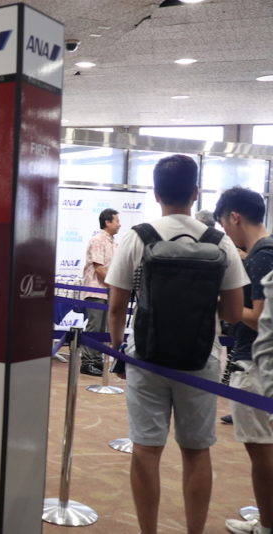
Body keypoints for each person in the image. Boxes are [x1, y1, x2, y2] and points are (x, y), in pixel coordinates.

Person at [106, 154, 246, 534]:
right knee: (197, 453)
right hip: (200, 360)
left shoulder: (138, 236)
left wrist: (119, 351)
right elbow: (234, 312)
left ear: (155, 193)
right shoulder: (220, 243)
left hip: (146, 358)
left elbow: (116, 308)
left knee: (146, 450)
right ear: (196, 192)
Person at [214, 187, 273, 534]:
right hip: (257, 362)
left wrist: (228, 307)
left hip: (254, 364)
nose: (225, 231)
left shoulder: (261, 255)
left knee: (260, 449)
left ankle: (266, 525)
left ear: (234, 216)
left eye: (224, 223)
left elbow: (260, 316)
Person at [80, 208, 120, 376]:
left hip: (108, 291)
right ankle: (87, 362)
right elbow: (99, 269)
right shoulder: (98, 240)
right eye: (117, 221)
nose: (120, 224)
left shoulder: (113, 243)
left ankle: (96, 361)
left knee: (103, 328)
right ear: (107, 222)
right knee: (94, 326)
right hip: (96, 290)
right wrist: (115, 285)